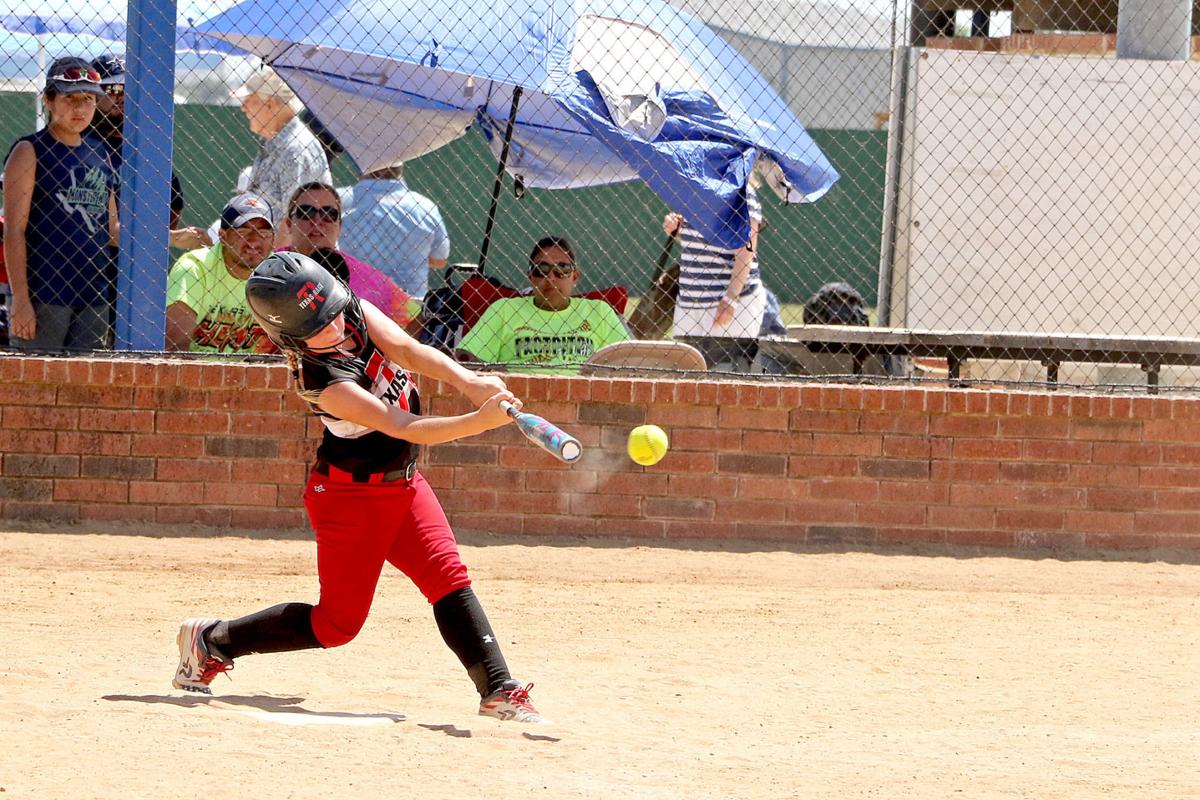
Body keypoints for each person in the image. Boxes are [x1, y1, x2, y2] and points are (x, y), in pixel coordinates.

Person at [171, 251, 547, 724]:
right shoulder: (323, 381)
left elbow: (407, 349)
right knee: (336, 626)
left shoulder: (346, 307)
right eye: (318, 326)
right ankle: (213, 640)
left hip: (403, 484)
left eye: (332, 311)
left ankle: (499, 689)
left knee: (448, 578)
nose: (335, 326)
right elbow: (405, 426)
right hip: (350, 499)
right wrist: (480, 420)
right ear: (292, 337)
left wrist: (469, 381)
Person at [3, 56, 118, 351]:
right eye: (70, 98)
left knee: (86, 378)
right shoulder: (30, 150)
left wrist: (170, 238)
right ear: (49, 100)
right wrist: (21, 299)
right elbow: (13, 231)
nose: (80, 108)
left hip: (93, 296)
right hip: (44, 293)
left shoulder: (100, 153)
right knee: (34, 376)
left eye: (88, 99)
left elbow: (112, 229)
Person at [88, 54, 210, 252]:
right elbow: (101, 228)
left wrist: (153, 240)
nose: (121, 96)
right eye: (112, 89)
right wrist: (169, 238)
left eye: (129, 89)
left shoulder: (145, 148)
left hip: (133, 260)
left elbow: (174, 200)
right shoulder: (80, 144)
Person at [455, 236, 629, 374]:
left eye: (562, 269)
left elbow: (629, 360)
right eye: (541, 269)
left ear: (574, 277)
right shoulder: (505, 309)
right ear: (531, 276)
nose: (551, 278)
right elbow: (469, 360)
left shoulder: (599, 311)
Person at [283, 181, 420, 331]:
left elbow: (415, 320)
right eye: (306, 212)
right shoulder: (270, 267)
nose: (317, 221)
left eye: (329, 214)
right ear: (289, 224)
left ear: (339, 226)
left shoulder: (366, 277)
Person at [662, 183, 766, 370]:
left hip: (729, 303)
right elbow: (704, 241)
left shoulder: (741, 192)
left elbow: (747, 249)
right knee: (686, 376)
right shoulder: (692, 187)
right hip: (689, 303)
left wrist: (731, 298)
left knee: (727, 377)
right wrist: (678, 230)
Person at [164, 193, 276, 353]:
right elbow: (175, 348)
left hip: (250, 369)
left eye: (263, 233)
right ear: (223, 236)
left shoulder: (279, 276)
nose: (254, 240)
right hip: (195, 367)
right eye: (243, 232)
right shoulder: (195, 268)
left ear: (273, 239)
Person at [234, 68, 331, 233]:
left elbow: (295, 226)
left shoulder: (295, 150)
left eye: (249, 100)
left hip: (291, 250)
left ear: (270, 104)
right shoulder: (275, 144)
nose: (243, 108)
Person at [338, 161, 449, 299]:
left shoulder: (339, 200)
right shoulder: (425, 206)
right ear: (400, 168)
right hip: (411, 303)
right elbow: (439, 260)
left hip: (352, 300)